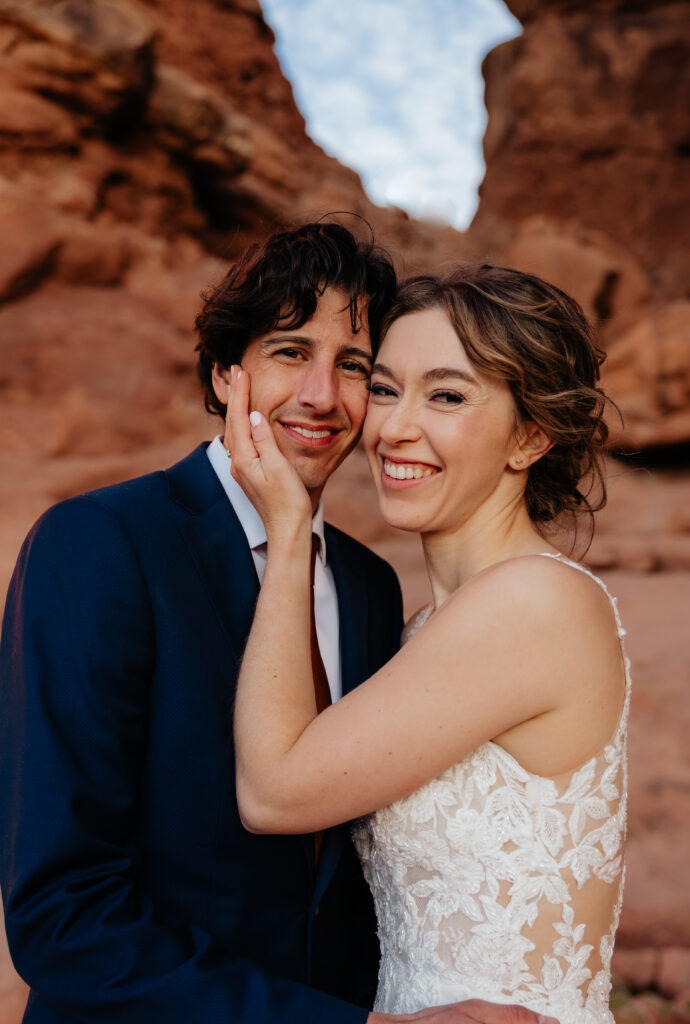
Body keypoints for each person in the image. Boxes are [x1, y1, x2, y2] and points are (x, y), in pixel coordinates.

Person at [0, 223, 550, 1024]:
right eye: (291, 352)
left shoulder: (366, 585)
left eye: (354, 367)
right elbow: (62, 912)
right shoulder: (98, 547)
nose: (322, 396)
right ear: (228, 374)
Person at [228, 264, 629, 1024]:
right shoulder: (422, 628)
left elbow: (275, 792)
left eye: (446, 395)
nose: (391, 428)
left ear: (531, 435)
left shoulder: (533, 603)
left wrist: (287, 532)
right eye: (383, 389)